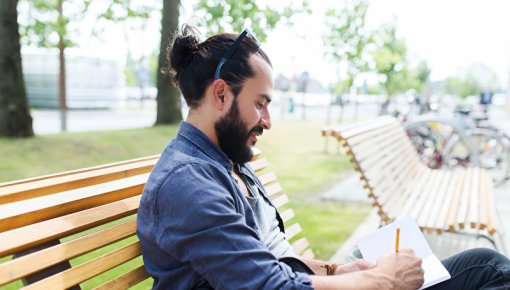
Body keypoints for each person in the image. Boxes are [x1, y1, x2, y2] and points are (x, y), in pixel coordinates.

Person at [137, 24, 510, 290]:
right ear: (221, 94)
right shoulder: (187, 183)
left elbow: (272, 260)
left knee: (485, 265)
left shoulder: (227, 160)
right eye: (260, 103)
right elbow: (267, 284)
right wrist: (382, 280)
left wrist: (340, 270)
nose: (267, 120)